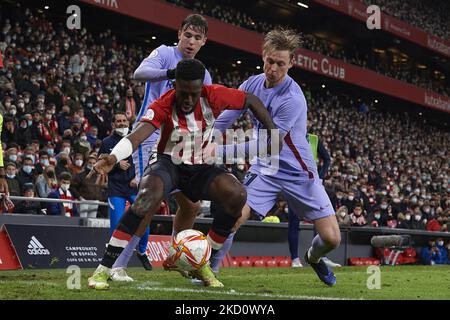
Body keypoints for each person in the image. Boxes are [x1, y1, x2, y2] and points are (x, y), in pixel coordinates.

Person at [87, 58, 278, 290]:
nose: (188, 100)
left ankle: (201, 263)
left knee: (237, 194)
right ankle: (103, 269)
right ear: (174, 86)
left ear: (202, 89)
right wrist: (114, 157)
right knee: (147, 196)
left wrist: (272, 130)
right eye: (183, 93)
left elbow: (251, 99)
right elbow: (137, 135)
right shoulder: (163, 104)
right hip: (168, 163)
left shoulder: (215, 95)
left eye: (194, 94)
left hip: (199, 167)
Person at [205, 29, 341, 286]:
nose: (274, 68)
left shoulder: (293, 99)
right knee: (233, 216)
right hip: (266, 170)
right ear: (263, 56)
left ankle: (312, 257)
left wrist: (218, 152)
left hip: (299, 174)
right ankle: (210, 273)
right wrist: (208, 137)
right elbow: (228, 115)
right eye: (270, 61)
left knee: (332, 239)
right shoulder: (251, 84)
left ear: (291, 63)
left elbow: (268, 145)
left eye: (281, 64)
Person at [109, 13, 213, 281]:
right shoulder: (165, 53)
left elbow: (208, 111)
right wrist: (170, 73)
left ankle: (178, 257)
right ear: (179, 33)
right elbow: (139, 73)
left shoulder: (204, 73)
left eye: (197, 38)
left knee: (192, 206)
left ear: (204, 41)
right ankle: (117, 264)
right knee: (149, 200)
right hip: (151, 136)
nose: (190, 41)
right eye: (187, 35)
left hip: (182, 144)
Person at [98, 112, 152, 279]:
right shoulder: (106, 142)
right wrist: (115, 164)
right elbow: (100, 165)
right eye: (118, 121)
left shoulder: (136, 138)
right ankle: (112, 265)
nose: (122, 123)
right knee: (116, 226)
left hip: (133, 188)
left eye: (124, 120)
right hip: (116, 189)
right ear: (113, 124)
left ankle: (142, 251)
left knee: (144, 220)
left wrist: (138, 178)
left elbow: (146, 160)